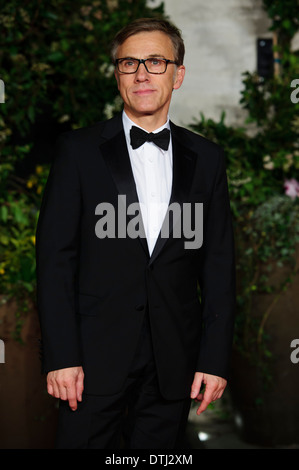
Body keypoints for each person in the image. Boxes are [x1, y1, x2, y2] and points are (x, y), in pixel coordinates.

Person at [36, 17, 235, 449]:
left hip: (172, 364)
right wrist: (62, 356)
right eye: (129, 63)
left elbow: (218, 266)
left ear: (178, 74)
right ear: (117, 74)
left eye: (156, 61)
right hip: (89, 364)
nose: (142, 73)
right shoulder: (76, 151)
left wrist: (214, 360)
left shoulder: (207, 158)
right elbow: (55, 261)